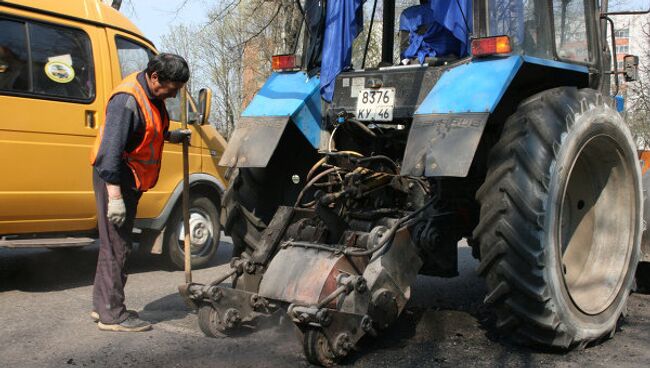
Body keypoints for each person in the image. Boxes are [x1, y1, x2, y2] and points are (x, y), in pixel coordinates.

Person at [89, 53, 192, 332]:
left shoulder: (151, 96)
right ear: (155, 77)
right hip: (115, 177)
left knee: (113, 244)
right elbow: (109, 154)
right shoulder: (127, 101)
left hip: (128, 177)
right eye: (171, 89)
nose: (172, 95)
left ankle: (103, 307)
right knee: (118, 245)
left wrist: (171, 136)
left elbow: (143, 132)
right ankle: (113, 315)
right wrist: (115, 197)